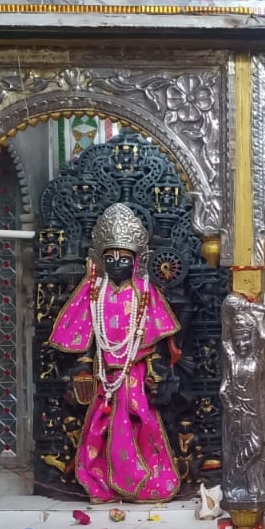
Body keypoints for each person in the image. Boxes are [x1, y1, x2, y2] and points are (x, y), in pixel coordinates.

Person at [49, 204, 182, 502]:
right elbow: (85, 339)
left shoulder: (144, 293)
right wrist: (83, 367)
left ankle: (143, 483)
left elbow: (160, 343)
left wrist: (155, 370)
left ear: (136, 261)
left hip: (135, 373)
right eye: (109, 258)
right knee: (99, 429)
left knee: (141, 423)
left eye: (124, 258)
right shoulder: (94, 293)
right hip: (104, 376)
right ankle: (103, 484)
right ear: (100, 260)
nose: (117, 263)